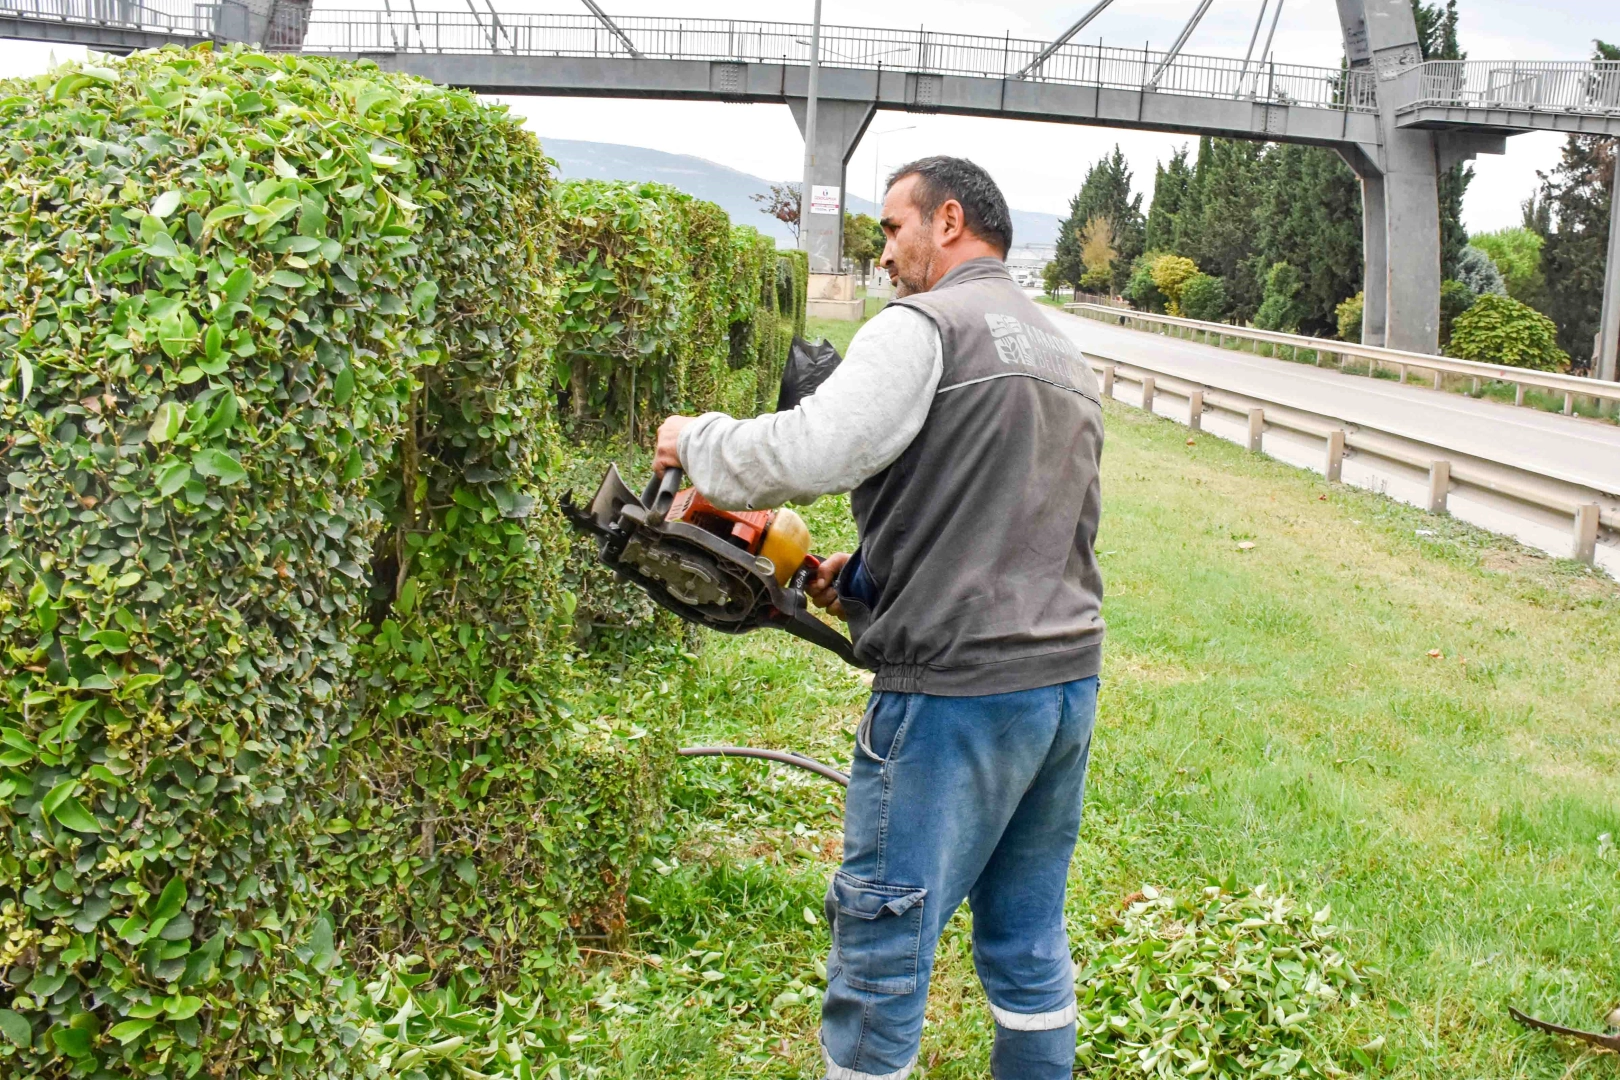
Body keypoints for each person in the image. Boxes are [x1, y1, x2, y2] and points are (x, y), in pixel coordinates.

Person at [654, 156, 1105, 1080]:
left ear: (947, 221)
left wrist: (694, 439)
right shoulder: (1059, 350)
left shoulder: (925, 325)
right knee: (1025, 937)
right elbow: (1009, 510)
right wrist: (861, 575)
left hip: (955, 695)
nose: (886, 253)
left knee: (882, 941)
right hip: (1060, 688)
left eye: (893, 230)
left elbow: (814, 447)